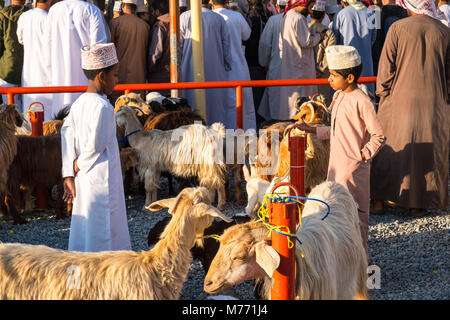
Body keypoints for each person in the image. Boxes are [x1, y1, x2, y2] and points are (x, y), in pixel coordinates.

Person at [296, 45, 385, 258]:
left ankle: (360, 263)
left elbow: (379, 136)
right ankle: (340, 261)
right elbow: (337, 130)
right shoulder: (338, 97)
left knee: (356, 217)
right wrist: (312, 129)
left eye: (334, 75)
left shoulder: (362, 101)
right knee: (335, 214)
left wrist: (362, 155)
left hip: (354, 171)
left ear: (350, 77)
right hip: (336, 169)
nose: (329, 79)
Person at [371, 0, 449, 216]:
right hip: (433, 103)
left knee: (388, 150)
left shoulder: (397, 28)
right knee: (426, 153)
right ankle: (418, 204)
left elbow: (385, 69)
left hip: (398, 99)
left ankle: (379, 201)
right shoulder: (444, 31)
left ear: (410, 5)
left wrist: (383, 93)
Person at [61, 43, 131, 252]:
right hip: (101, 179)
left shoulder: (78, 103)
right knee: (104, 235)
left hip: (84, 178)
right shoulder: (103, 107)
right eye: (115, 75)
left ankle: (79, 279)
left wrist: (68, 173)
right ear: (102, 76)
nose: (117, 81)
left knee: (85, 231)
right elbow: (95, 146)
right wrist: (76, 167)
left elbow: (66, 135)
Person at [47, 0, 107, 119]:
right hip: (86, 82)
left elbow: (48, 42)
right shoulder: (91, 10)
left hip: (59, 82)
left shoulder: (54, 10)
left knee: (60, 126)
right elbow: (98, 48)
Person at [180, 0, 232, 125]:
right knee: (215, 110)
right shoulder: (219, 19)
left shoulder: (184, 17)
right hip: (215, 71)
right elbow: (226, 47)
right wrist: (226, 64)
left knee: (191, 109)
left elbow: (178, 47)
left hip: (189, 71)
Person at [213, 0, 257, 130]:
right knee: (241, 104)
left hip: (217, 69)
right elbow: (247, 35)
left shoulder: (209, 16)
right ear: (227, 1)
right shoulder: (236, 16)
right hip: (238, 68)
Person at [278, 0, 324, 120]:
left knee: (293, 101)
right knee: (302, 102)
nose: (312, 8)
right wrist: (319, 36)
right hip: (300, 67)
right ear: (303, 3)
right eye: (311, 5)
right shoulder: (299, 18)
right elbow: (306, 42)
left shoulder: (287, 16)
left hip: (291, 64)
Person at [16, 0, 53, 120]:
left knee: (30, 109)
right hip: (47, 71)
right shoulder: (50, 19)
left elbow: (20, 39)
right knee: (47, 112)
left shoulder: (24, 16)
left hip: (29, 70)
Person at [332, 0, 377, 95]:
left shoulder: (341, 14)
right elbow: (373, 38)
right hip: (366, 60)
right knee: (367, 94)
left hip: (345, 61)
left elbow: (335, 40)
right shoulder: (371, 13)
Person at [109, 0, 150, 101]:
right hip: (138, 79)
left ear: (122, 5)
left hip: (118, 77)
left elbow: (109, 49)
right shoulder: (145, 26)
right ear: (135, 8)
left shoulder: (115, 23)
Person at [257, 0, 285, 122]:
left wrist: (263, 63)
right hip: (299, 73)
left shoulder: (274, 20)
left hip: (277, 68)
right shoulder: (303, 20)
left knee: (276, 108)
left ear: (277, 6)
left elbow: (264, 45)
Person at [244, 0, 272, 124]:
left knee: (254, 97)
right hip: (262, 63)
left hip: (252, 62)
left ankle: (256, 124)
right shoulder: (267, 17)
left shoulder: (250, 17)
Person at [0, 0, 27, 108]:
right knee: (30, 108)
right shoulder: (31, 14)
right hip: (29, 68)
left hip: (7, 69)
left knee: (11, 111)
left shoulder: (2, 15)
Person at [308, 0, 336, 104]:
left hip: (306, 74)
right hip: (323, 76)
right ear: (324, 15)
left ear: (309, 14)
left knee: (308, 105)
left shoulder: (304, 29)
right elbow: (330, 54)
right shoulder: (329, 32)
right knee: (322, 104)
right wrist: (320, 70)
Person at [147, 0, 170, 95]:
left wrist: (149, 69)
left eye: (152, 11)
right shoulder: (176, 22)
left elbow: (155, 53)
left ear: (157, 12)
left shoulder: (160, 26)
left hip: (160, 76)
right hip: (175, 74)